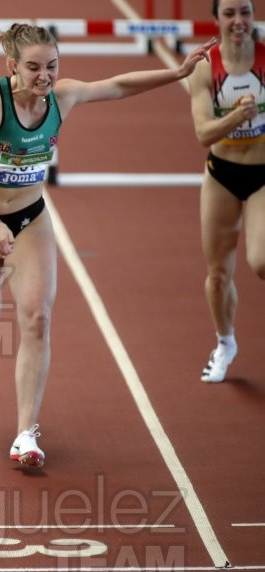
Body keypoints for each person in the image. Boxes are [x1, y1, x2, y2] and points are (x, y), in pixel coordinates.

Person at [0, 23, 215, 468]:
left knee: (37, 317)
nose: (44, 76)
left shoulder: (63, 97)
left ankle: (25, 434)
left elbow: (116, 86)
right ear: (12, 65)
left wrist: (178, 73)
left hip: (31, 220)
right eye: (33, 68)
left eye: (52, 66)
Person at [189, 0, 265, 384]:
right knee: (218, 274)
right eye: (230, 13)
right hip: (222, 174)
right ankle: (225, 343)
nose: (239, 21)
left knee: (262, 260)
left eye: (246, 12)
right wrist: (237, 115)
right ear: (216, 19)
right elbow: (203, 132)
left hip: (263, 175)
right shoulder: (205, 67)